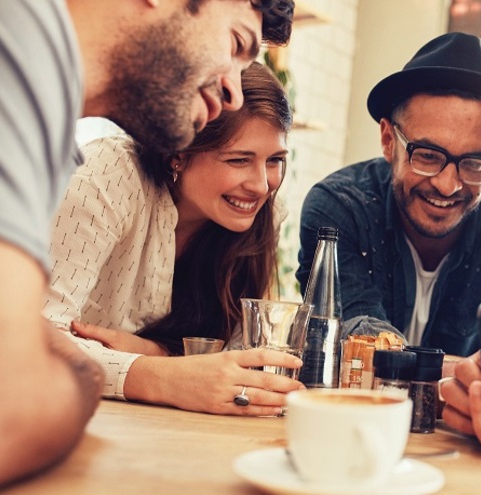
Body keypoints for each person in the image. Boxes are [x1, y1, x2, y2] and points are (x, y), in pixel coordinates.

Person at [0, 0, 294, 489]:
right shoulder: (20, 41)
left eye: (275, 160)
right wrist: (146, 373)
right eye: (235, 44)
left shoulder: (52, 121)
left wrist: (155, 356)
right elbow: (8, 396)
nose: (234, 89)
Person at [296, 32, 481, 459]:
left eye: (473, 163)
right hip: (349, 444)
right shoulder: (340, 209)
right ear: (388, 140)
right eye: (428, 156)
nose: (449, 185)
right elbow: (351, 341)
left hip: (472, 454)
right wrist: (469, 378)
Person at [43, 62, 302, 416]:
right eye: (239, 160)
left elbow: (237, 361)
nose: (261, 185)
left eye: (274, 160)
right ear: (178, 154)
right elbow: (32, 337)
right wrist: (160, 376)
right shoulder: (107, 174)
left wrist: (155, 353)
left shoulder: (258, 216)